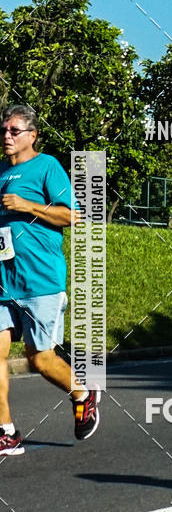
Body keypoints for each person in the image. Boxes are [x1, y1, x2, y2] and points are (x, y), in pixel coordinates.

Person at [0, 104, 100, 455]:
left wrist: (28, 206)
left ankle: (83, 394)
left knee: (38, 359)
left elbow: (74, 216)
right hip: (3, 283)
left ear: (32, 135)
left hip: (41, 282)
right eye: (4, 131)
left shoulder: (47, 167)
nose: (7, 136)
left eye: (14, 130)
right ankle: (6, 432)